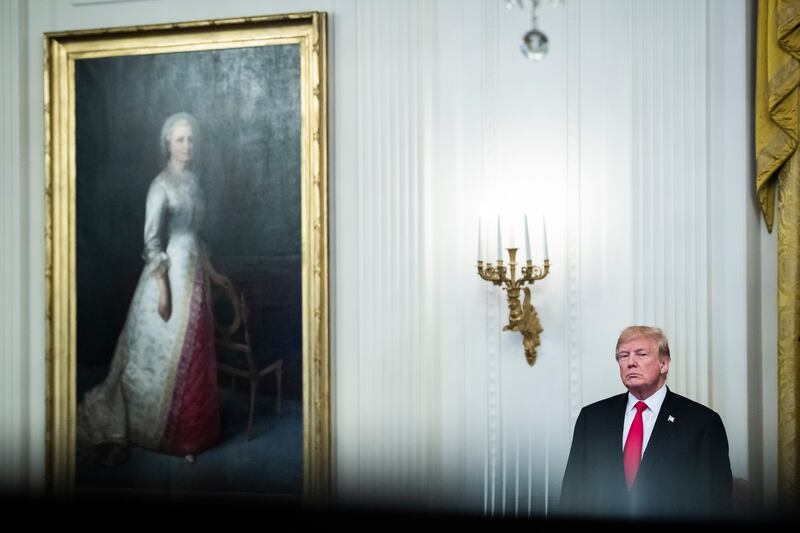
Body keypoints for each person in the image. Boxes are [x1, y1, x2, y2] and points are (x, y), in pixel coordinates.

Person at [77, 112, 231, 466]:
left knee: (195, 355)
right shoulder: (159, 185)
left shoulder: (195, 182)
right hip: (171, 276)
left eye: (191, 139)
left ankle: (193, 434)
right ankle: (161, 434)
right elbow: (151, 242)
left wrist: (214, 273)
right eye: (180, 140)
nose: (187, 145)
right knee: (160, 357)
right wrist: (162, 288)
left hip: (196, 278)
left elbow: (197, 237)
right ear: (167, 144)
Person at [559, 326, 732, 521]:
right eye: (623, 356)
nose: (630, 362)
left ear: (664, 364)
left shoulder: (702, 422)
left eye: (641, 354)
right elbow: (572, 494)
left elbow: (716, 501)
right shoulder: (592, 418)